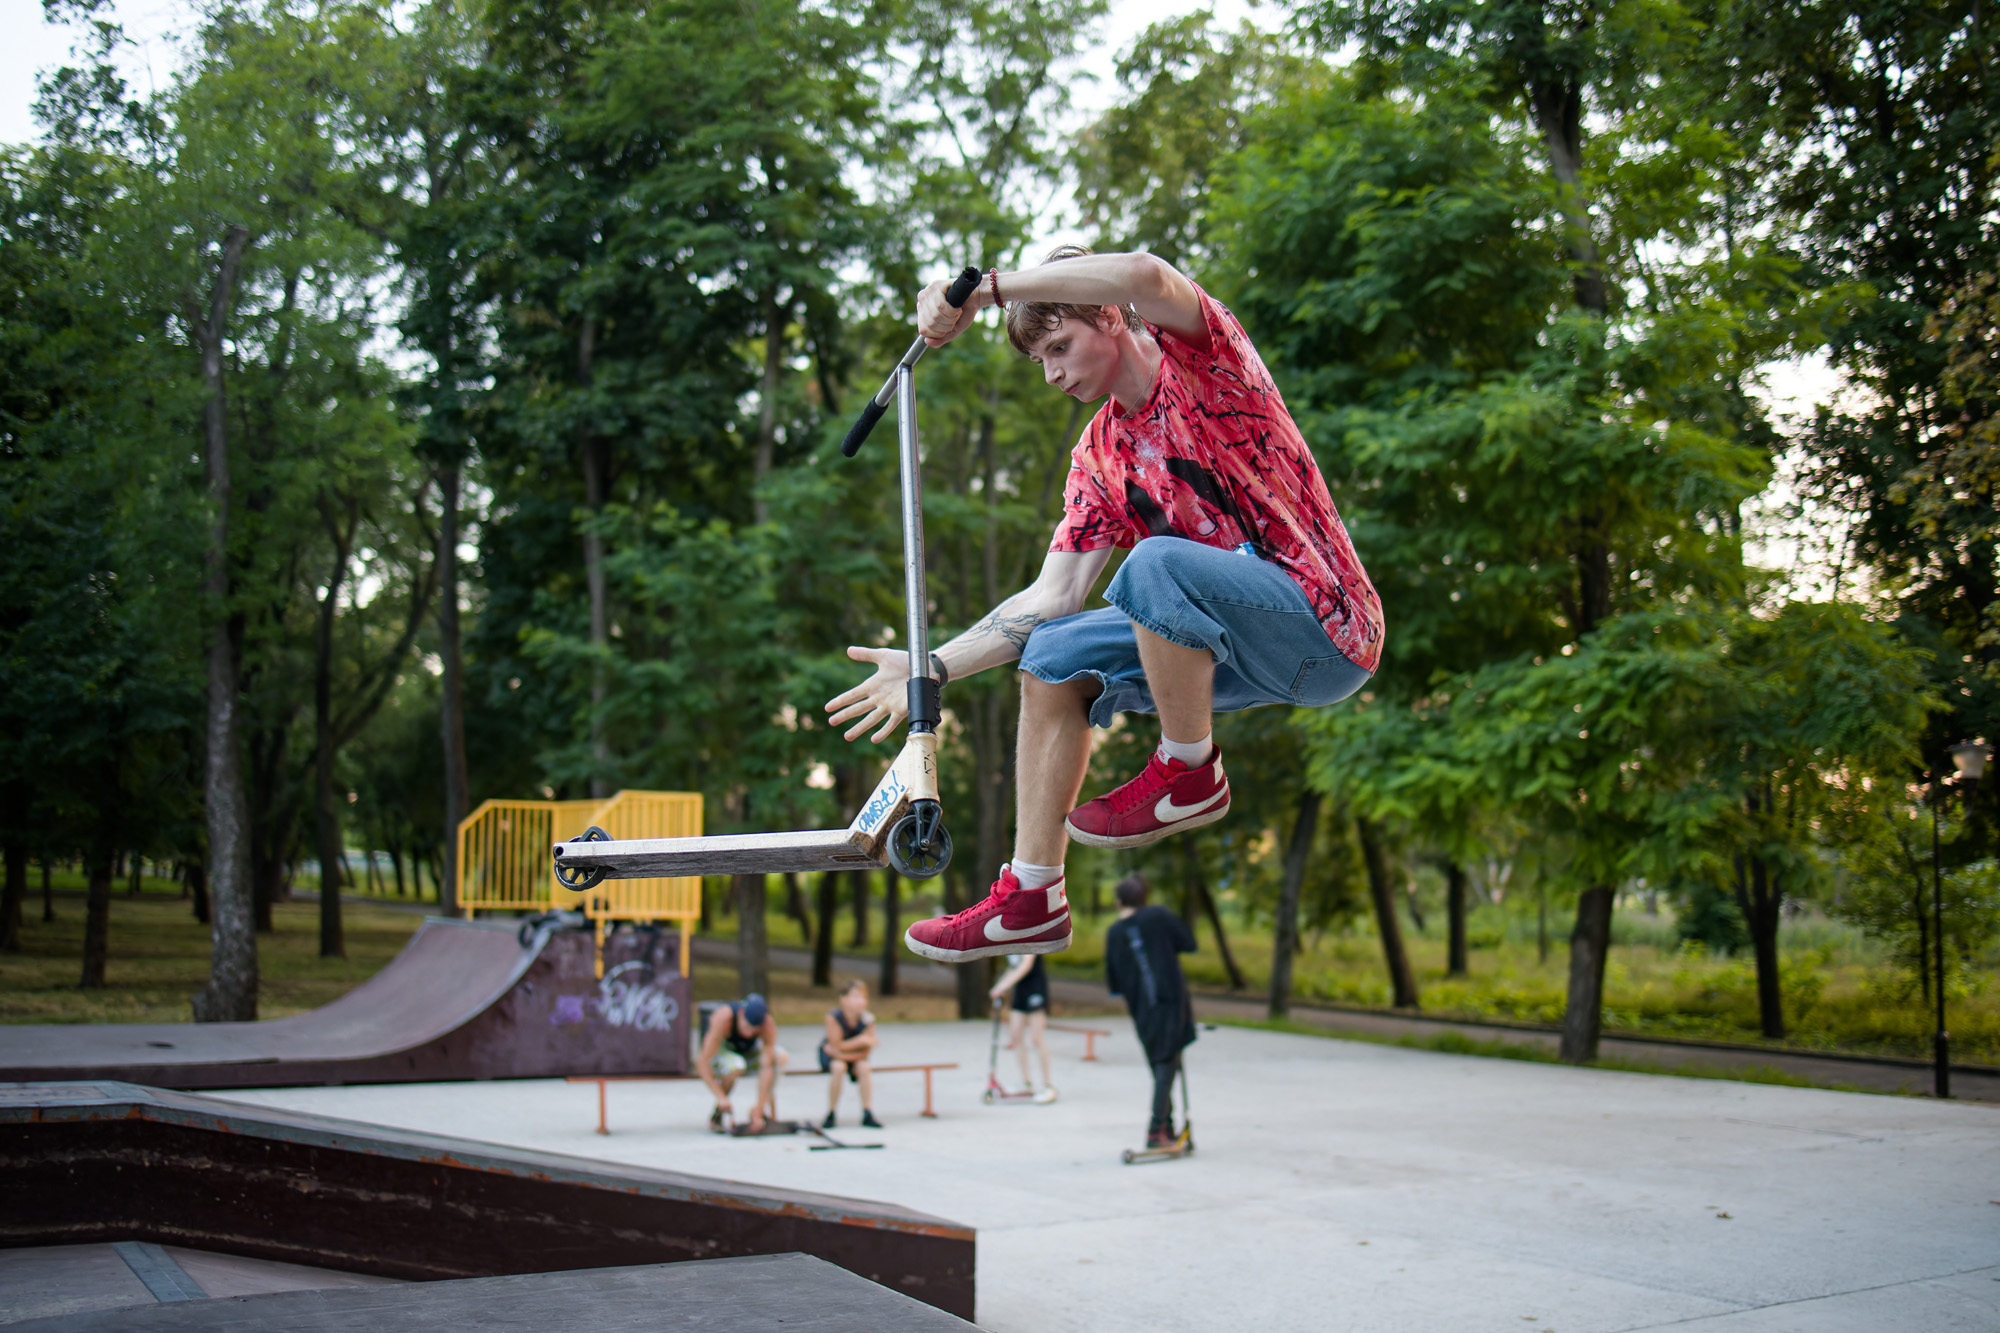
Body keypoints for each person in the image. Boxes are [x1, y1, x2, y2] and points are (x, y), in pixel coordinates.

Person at [826, 247, 1382, 962]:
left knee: (1153, 565)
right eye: (1040, 361)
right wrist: (930, 667)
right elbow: (1053, 595)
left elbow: (1146, 275)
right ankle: (1033, 895)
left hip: (1327, 626)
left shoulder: (1203, 360)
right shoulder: (1100, 456)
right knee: (1052, 654)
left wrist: (988, 291)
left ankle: (1189, 769)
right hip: (1230, 651)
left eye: (1060, 346)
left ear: (1111, 317)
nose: (1052, 373)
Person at [1103, 874, 1196, 1149]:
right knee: (1167, 1062)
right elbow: (1188, 943)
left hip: (1142, 1007)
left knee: (1161, 1063)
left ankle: (1166, 1126)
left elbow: (1114, 984)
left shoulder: (1115, 932)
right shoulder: (1158, 916)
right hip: (1171, 1001)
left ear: (1118, 902)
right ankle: (1157, 1130)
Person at [697, 992, 788, 1132]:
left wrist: (759, 1106)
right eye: (747, 1026)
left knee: (781, 1057)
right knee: (736, 1065)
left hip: (748, 1054)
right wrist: (720, 1097)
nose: (750, 1033)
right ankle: (720, 1110)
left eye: (755, 1029)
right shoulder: (724, 1018)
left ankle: (762, 1113)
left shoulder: (767, 1024)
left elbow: (767, 1066)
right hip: (724, 1052)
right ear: (741, 1013)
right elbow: (702, 1062)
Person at [990, 953, 1058, 1104]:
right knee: (1015, 1036)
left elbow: (1025, 966)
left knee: (1036, 1038)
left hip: (1035, 989)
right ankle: (1026, 1083)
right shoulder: (1010, 945)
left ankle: (1048, 1085)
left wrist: (1004, 986)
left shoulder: (1029, 942)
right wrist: (998, 986)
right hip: (1020, 990)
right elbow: (1013, 967)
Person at [820, 979, 884, 1129]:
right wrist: (861, 1040)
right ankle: (831, 1112)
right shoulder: (834, 1017)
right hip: (831, 1056)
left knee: (864, 1067)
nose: (860, 1001)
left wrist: (843, 1052)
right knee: (838, 1067)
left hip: (852, 1056)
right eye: (855, 996)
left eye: (863, 997)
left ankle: (867, 1112)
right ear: (843, 999)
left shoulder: (868, 1019)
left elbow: (865, 1053)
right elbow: (835, 1045)